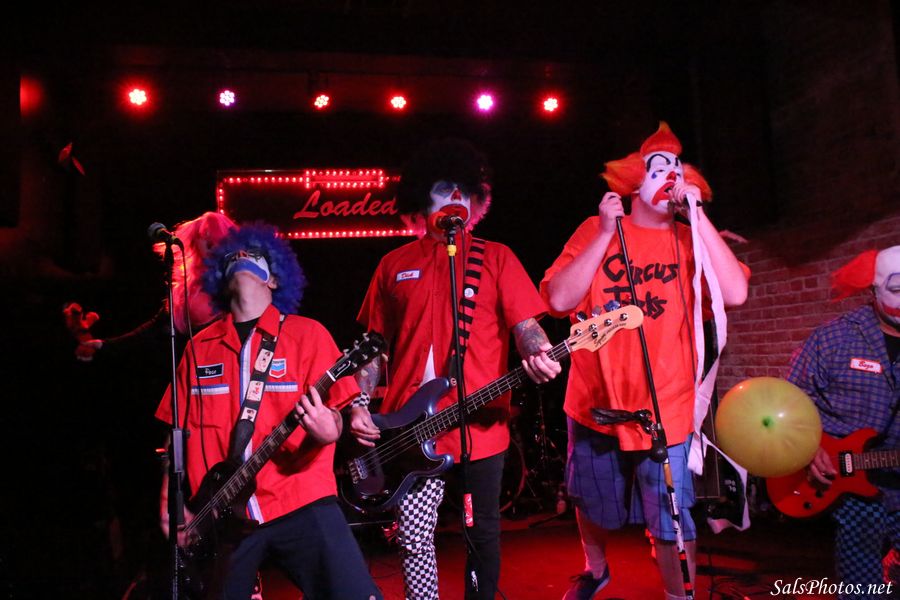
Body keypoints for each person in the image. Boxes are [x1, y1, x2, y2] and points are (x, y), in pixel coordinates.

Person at [541, 122, 749, 600]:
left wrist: (698, 217)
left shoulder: (690, 239)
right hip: (595, 403)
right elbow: (558, 299)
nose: (672, 178)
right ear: (634, 182)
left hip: (667, 407)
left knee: (673, 515)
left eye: (679, 171)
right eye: (660, 169)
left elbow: (735, 292)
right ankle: (595, 569)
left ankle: (679, 595)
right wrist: (604, 233)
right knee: (591, 499)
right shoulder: (594, 230)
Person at [349, 138, 561, 600]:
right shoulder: (392, 264)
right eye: (445, 188)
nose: (455, 198)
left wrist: (541, 351)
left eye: (464, 190)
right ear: (422, 198)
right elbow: (373, 349)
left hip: (478, 426)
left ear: (477, 200)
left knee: (481, 533)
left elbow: (526, 328)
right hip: (408, 429)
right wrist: (359, 404)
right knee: (413, 536)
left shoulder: (496, 256)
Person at [156, 222, 382, 600]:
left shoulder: (308, 335)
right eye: (233, 256)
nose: (241, 258)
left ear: (274, 280)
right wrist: (170, 502)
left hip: (300, 498)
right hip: (221, 518)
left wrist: (331, 428)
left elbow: (338, 413)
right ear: (219, 279)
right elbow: (175, 434)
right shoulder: (197, 349)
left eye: (254, 255)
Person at [787, 245, 900, 598]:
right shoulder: (835, 337)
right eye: (898, 289)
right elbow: (791, 401)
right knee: (860, 587)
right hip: (849, 483)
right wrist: (809, 447)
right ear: (873, 290)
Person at [72, 211, 236, 360]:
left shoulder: (235, 282)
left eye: (217, 238)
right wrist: (104, 345)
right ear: (194, 241)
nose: (211, 242)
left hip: (229, 368)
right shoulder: (185, 290)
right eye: (204, 236)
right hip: (193, 371)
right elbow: (153, 331)